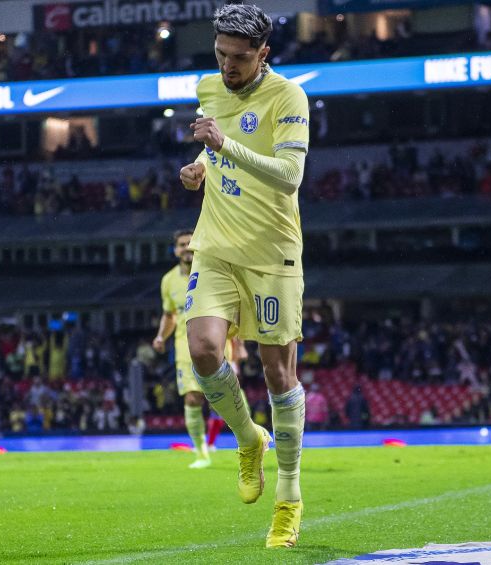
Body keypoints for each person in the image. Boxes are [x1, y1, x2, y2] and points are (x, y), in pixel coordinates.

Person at [179, 4, 309, 548]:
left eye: (238, 58)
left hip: (272, 253)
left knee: (278, 375)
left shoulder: (288, 97)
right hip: (214, 246)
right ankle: (246, 439)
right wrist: (199, 169)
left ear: (263, 55)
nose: (227, 67)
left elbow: (288, 176)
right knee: (204, 350)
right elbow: (222, 158)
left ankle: (289, 496)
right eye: (220, 56)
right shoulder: (208, 88)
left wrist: (222, 146)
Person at [152, 228, 240, 469]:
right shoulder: (168, 281)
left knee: (223, 400)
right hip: (184, 347)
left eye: (190, 243)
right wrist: (161, 337)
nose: (186, 248)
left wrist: (238, 343)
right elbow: (169, 314)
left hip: (218, 344)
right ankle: (202, 454)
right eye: (181, 244)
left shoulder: (213, 272)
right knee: (192, 398)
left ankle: (248, 441)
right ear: (175, 250)